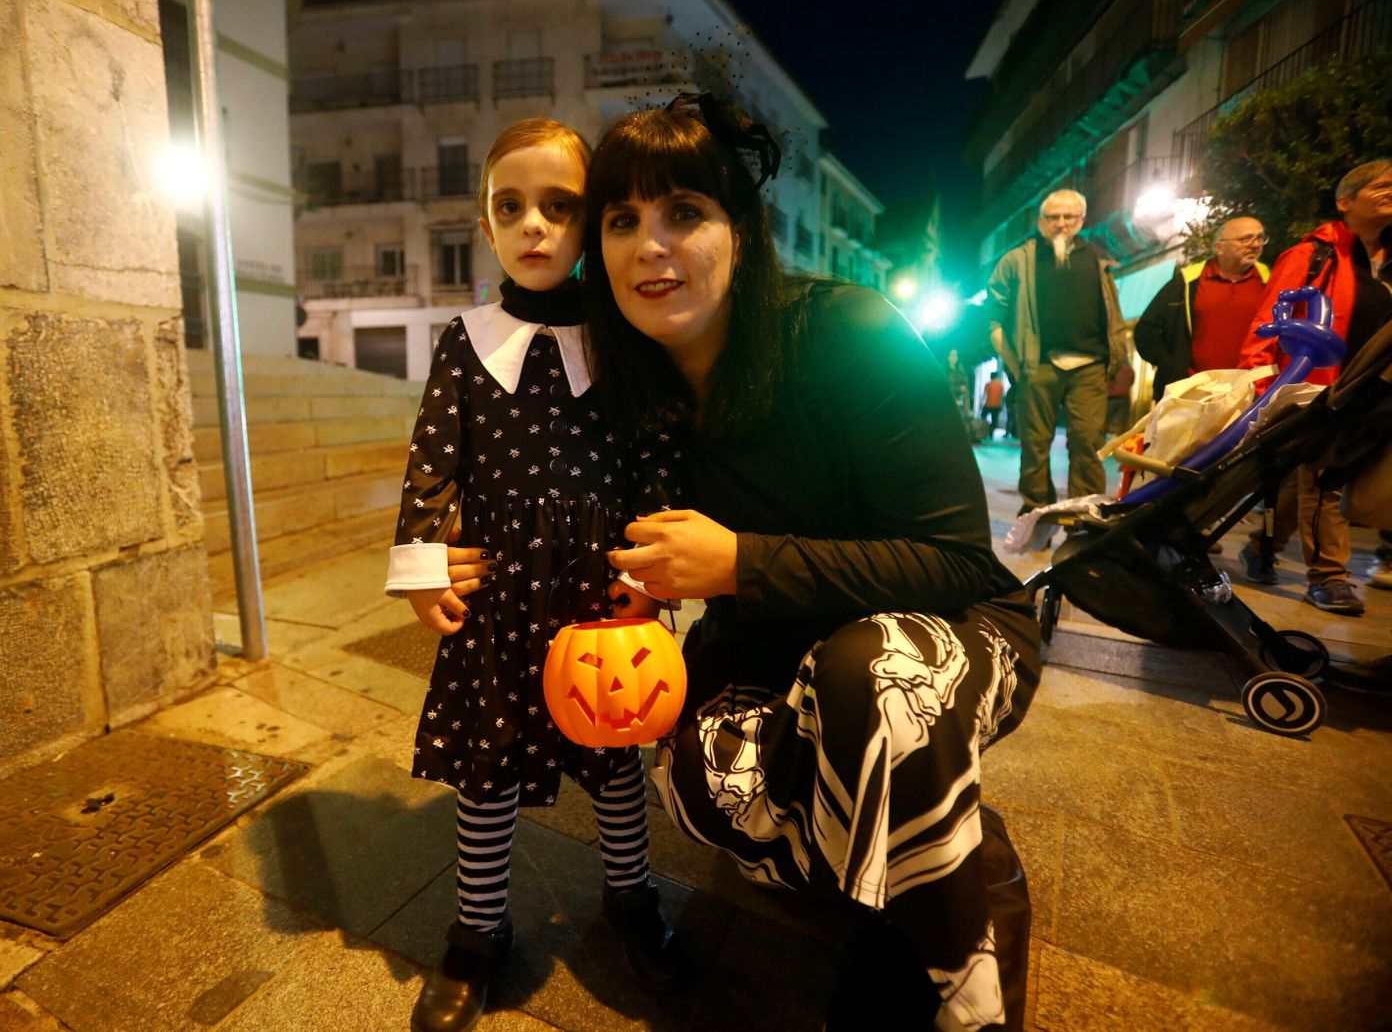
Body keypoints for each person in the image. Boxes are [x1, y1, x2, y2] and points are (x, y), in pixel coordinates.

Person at [578, 94, 1041, 1030]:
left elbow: (957, 561)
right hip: (777, 655)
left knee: (874, 678)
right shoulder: (641, 392)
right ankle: (931, 840)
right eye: (621, 221)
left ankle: (948, 975)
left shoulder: (847, 333)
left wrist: (740, 561)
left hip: (949, 636)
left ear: (740, 233)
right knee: (705, 780)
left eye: (684, 214)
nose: (649, 247)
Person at [384, 117, 688, 1032]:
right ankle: (478, 930)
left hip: (599, 595)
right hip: (499, 594)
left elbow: (654, 457)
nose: (535, 227)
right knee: (489, 766)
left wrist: (653, 571)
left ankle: (630, 895)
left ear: (591, 222)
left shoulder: (626, 340)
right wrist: (423, 566)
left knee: (617, 752)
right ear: (485, 226)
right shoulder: (465, 342)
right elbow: (432, 463)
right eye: (510, 208)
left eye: (560, 208)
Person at [1236, 159, 1392, 615]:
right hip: (1323, 388)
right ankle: (1329, 576)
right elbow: (1267, 323)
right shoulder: (1314, 255)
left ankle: (1264, 545)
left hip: (1378, 390)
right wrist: (1258, 380)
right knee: (1323, 477)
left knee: (1300, 483)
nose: (1390, 192)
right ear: (1345, 202)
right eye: (1380, 186)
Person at [987, 189, 1127, 513]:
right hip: (1038, 365)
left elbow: (1112, 311)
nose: (1061, 223)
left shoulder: (1098, 259)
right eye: (1053, 217)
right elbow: (993, 313)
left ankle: (1085, 514)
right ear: (1040, 221)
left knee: (1088, 445)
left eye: (1069, 217)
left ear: (1081, 221)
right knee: (1034, 446)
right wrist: (1014, 362)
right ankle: (1037, 512)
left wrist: (1114, 357)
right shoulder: (1017, 260)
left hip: (1090, 366)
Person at [1135, 216, 1271, 400]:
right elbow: (1146, 329)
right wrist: (1170, 365)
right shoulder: (1188, 280)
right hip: (1194, 394)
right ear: (1220, 247)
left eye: (1260, 238)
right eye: (1245, 239)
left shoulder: (1269, 279)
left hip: (1252, 392)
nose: (1255, 244)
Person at [982, 369, 1005, 435]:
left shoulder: (988, 384)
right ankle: (991, 432)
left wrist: (982, 402)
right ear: (997, 377)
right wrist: (1002, 405)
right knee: (994, 420)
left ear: (991, 377)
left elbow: (984, 394)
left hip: (988, 404)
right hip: (997, 405)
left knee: (983, 416)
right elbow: (1002, 396)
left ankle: (985, 429)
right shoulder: (1001, 385)